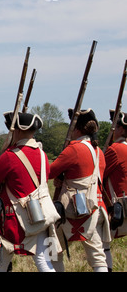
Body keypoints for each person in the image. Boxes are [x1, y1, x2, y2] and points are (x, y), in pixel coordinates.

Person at [0, 112, 61, 272]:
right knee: (44, 263)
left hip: (15, 220)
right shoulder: (42, 154)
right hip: (41, 216)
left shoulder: (9, 156)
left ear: (18, 131)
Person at [49, 108, 110, 272]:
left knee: (53, 250)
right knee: (97, 255)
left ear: (76, 128)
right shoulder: (98, 152)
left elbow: (49, 172)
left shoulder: (74, 148)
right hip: (94, 208)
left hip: (72, 209)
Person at [102, 110, 127, 271]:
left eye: (115, 126)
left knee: (103, 243)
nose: (113, 130)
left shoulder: (116, 149)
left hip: (120, 204)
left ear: (121, 129)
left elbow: (100, 173)